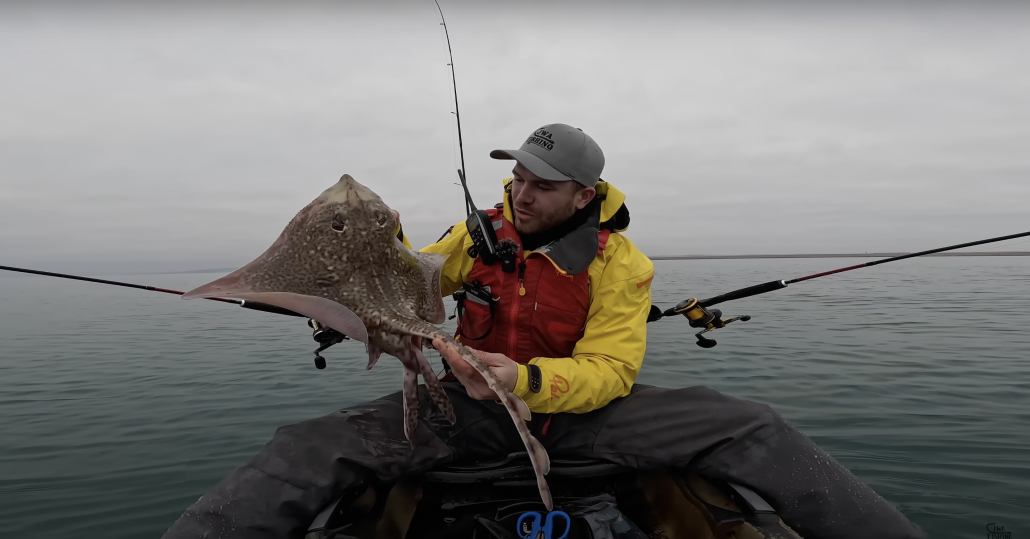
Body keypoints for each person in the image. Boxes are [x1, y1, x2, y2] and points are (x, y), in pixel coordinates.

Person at [163, 124, 925, 539]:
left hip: (584, 416)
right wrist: (367, 254)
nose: (520, 194)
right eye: (517, 177)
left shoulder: (620, 263)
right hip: (467, 408)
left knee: (752, 424)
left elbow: (612, 370)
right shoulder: (479, 234)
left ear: (583, 195)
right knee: (306, 445)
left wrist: (521, 377)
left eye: (541, 185)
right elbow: (418, 280)